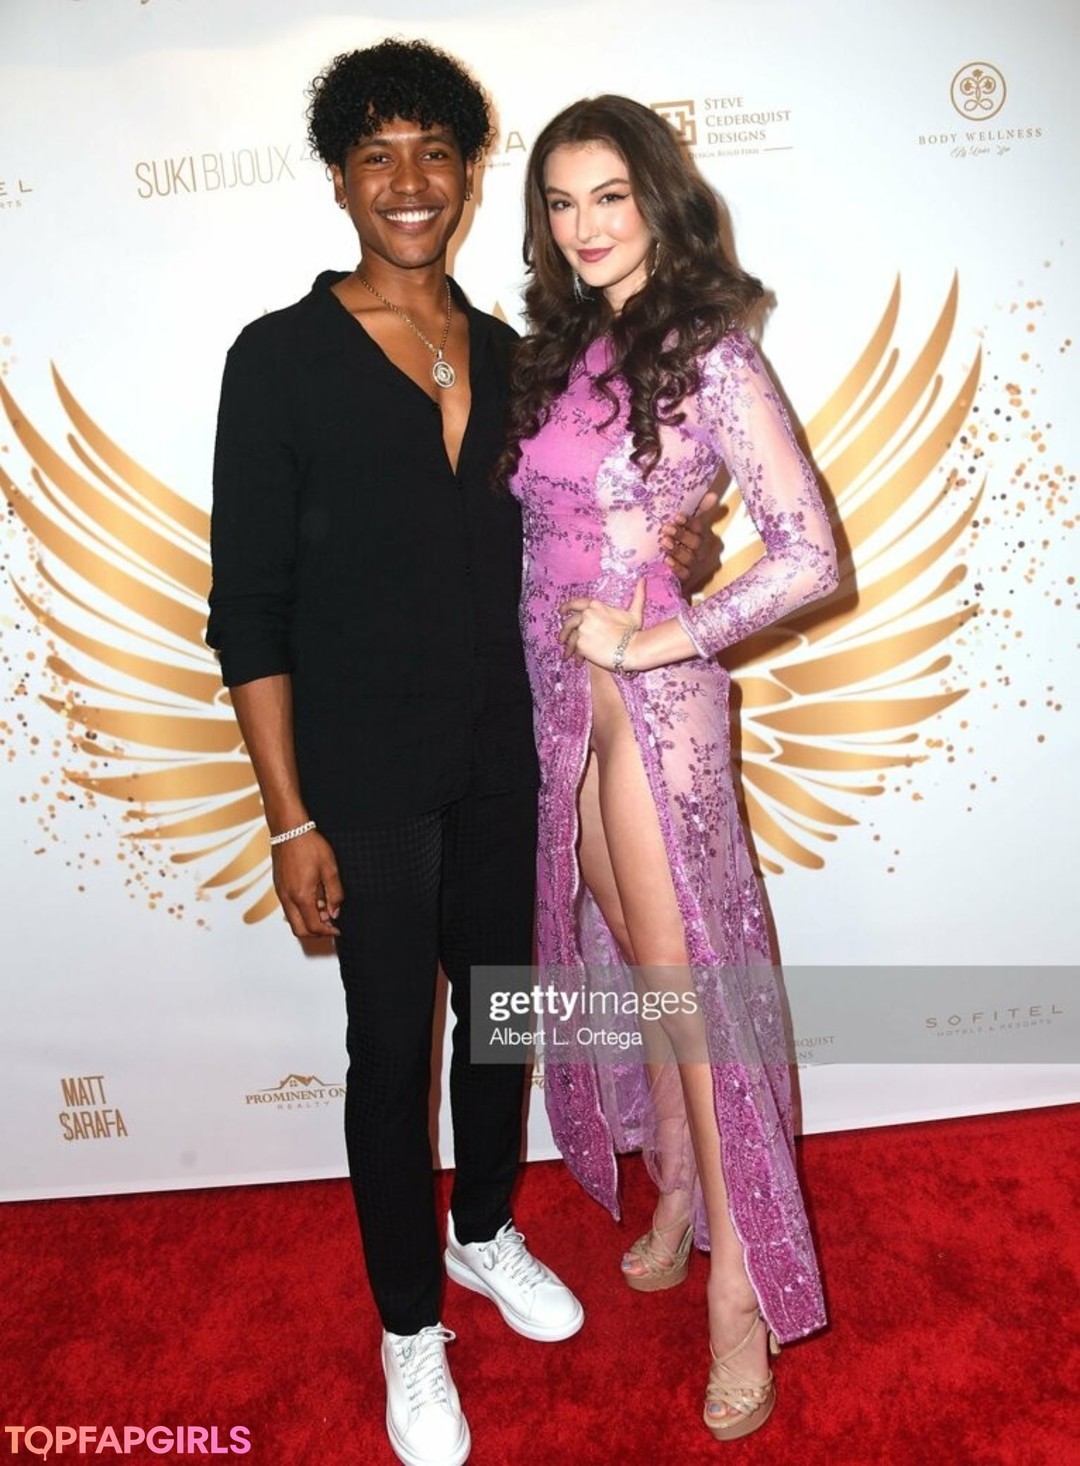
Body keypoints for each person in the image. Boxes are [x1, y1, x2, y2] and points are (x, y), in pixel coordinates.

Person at [206, 43, 712, 1466]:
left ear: (471, 172)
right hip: (363, 777)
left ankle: (483, 1227)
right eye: (377, 155)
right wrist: (289, 818)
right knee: (389, 1051)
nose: (409, 181)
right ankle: (407, 1322)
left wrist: (677, 549)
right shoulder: (278, 359)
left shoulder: (516, 355)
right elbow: (246, 608)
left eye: (434, 151)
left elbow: (597, 514)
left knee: (501, 1010)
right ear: (340, 179)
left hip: (512, 751)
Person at [500, 95, 838, 1441]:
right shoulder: (553, 348)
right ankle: (684, 1186)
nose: (584, 226)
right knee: (638, 974)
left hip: (653, 714)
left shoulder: (713, 353)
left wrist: (656, 637)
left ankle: (740, 1291)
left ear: (657, 197)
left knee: (693, 996)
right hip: (557, 710)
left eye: (610, 197)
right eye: (560, 202)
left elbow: (809, 555)